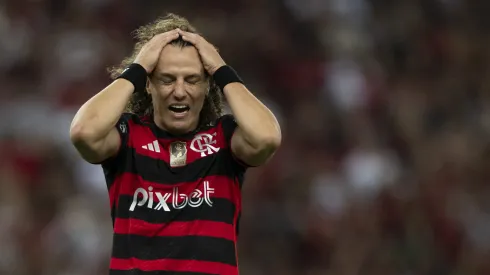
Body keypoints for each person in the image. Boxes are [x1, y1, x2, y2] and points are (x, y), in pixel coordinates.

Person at [69, 13, 281, 275]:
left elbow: (267, 138)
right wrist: (137, 68)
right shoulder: (128, 136)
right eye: (167, 79)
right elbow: (83, 132)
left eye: (192, 80)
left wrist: (222, 72)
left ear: (207, 86)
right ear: (148, 84)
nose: (179, 91)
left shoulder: (224, 138)